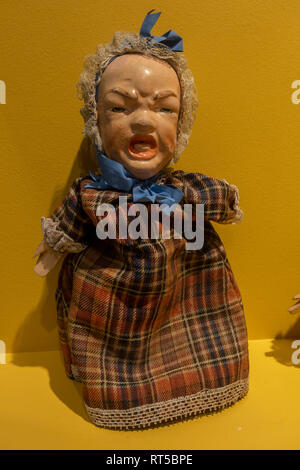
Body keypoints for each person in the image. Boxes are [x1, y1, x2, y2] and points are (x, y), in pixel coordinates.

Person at [33, 10, 249, 430]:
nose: (144, 120)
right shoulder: (91, 196)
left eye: (165, 109)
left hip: (190, 299)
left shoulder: (185, 192)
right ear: (96, 119)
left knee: (209, 329)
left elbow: (226, 201)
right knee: (108, 351)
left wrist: (230, 202)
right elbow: (66, 229)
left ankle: (211, 380)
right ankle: (122, 400)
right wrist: (53, 245)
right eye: (120, 106)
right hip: (114, 315)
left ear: (182, 123)